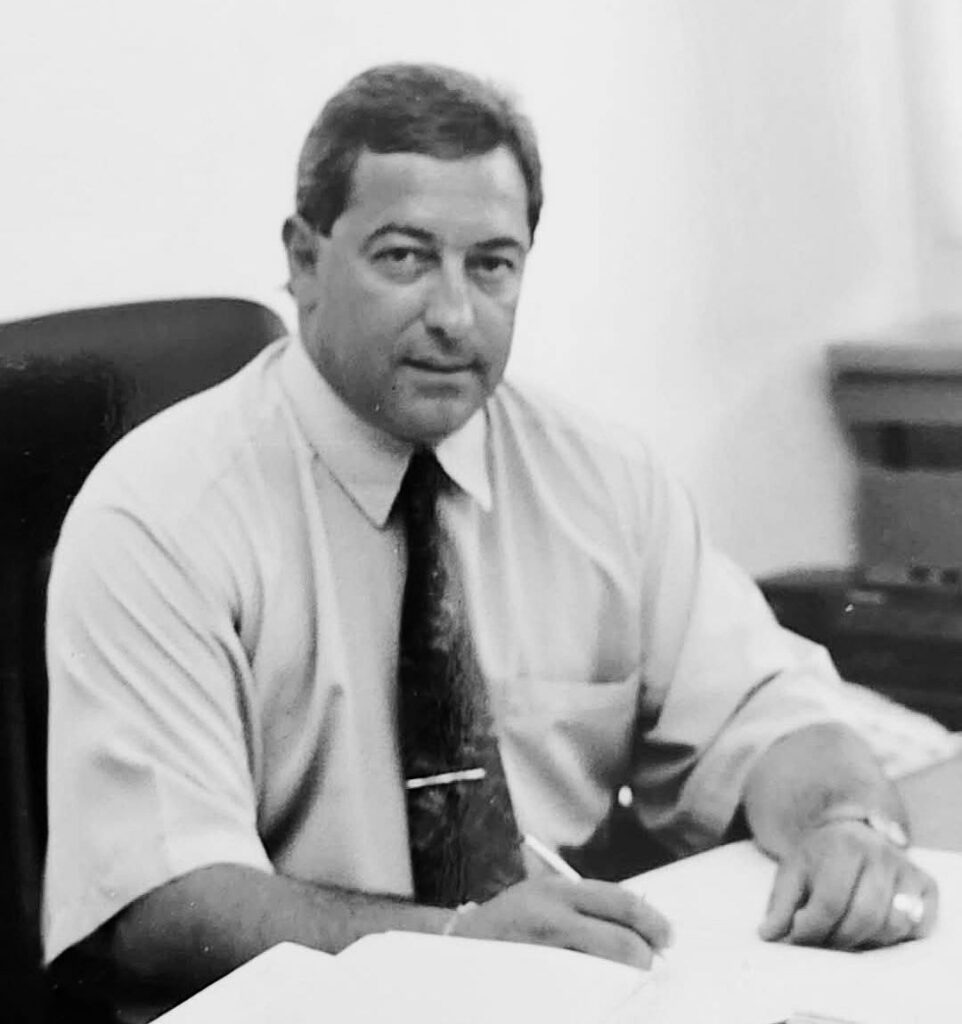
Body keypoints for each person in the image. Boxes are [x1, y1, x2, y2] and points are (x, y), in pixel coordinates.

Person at [43, 62, 936, 1021]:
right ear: (304, 261)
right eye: (404, 258)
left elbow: (768, 714)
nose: (454, 315)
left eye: (492, 264)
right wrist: (455, 950)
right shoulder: (161, 514)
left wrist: (840, 825)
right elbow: (162, 905)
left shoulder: (599, 479)